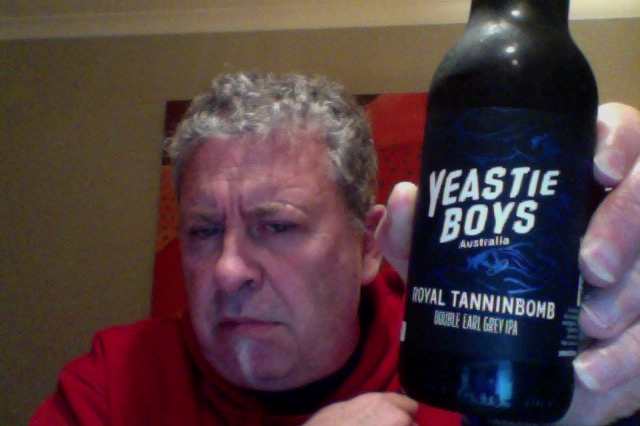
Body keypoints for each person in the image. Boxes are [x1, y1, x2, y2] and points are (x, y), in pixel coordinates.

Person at [31, 71, 640, 425]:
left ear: (369, 244)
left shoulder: (476, 365)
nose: (228, 271)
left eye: (277, 226)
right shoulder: (113, 384)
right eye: (204, 230)